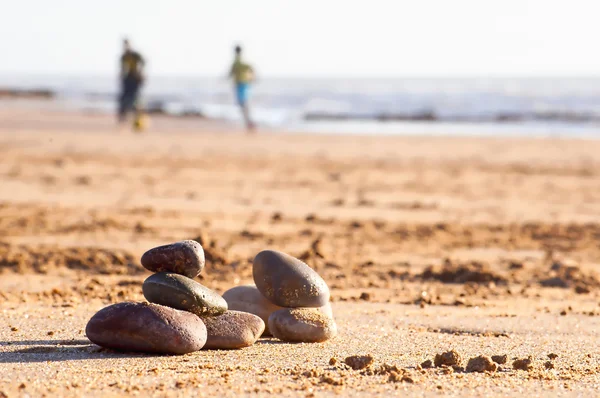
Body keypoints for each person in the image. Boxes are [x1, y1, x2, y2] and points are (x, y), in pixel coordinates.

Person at [118, 39, 145, 126]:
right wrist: (121, 76)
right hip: (127, 79)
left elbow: (143, 63)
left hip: (135, 79)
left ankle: (138, 117)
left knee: (135, 98)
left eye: (127, 44)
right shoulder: (123, 56)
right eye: (124, 45)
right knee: (124, 98)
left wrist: (140, 73)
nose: (126, 47)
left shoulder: (135, 55)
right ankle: (123, 118)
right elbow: (122, 68)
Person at [228, 45, 255, 131]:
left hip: (240, 84)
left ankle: (249, 122)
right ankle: (248, 122)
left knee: (243, 103)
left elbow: (231, 73)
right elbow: (251, 68)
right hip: (243, 84)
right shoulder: (240, 61)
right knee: (243, 104)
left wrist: (251, 78)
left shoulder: (237, 61)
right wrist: (250, 78)